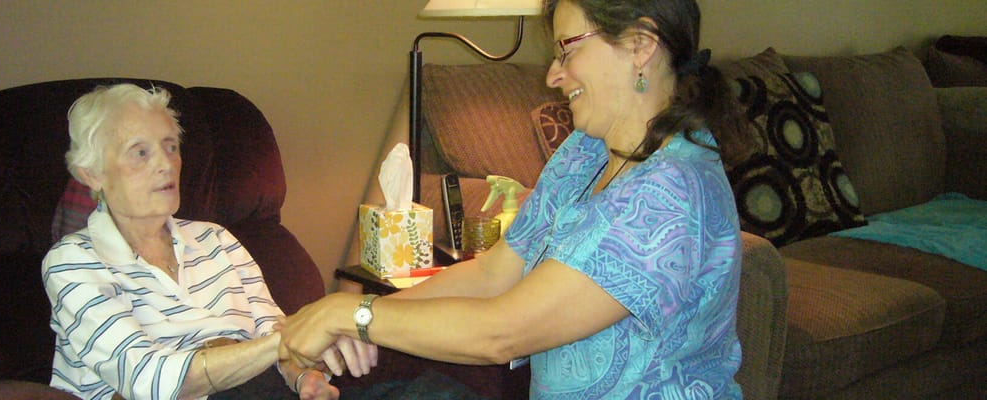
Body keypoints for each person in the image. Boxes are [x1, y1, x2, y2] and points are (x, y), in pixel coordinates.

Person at [281, 0, 756, 398]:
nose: (554, 74)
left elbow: (501, 332)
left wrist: (349, 313)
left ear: (640, 46)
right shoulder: (586, 151)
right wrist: (355, 323)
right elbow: (493, 273)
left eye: (567, 50)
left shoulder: (671, 192)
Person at [42, 83, 370, 400]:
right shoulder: (73, 262)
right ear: (92, 173)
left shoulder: (217, 239)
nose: (165, 164)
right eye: (140, 152)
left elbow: (270, 328)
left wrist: (304, 377)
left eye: (171, 146)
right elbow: (147, 380)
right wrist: (299, 334)